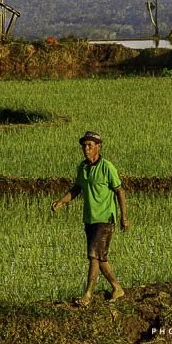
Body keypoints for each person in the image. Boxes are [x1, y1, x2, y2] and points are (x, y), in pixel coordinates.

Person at [51, 130, 130, 305]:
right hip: (89, 219)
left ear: (98, 147)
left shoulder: (107, 167)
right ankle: (117, 288)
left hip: (105, 219)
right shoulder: (83, 168)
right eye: (84, 146)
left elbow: (120, 191)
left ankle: (87, 294)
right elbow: (76, 189)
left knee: (93, 256)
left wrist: (124, 217)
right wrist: (61, 202)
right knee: (101, 259)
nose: (86, 149)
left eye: (90, 145)